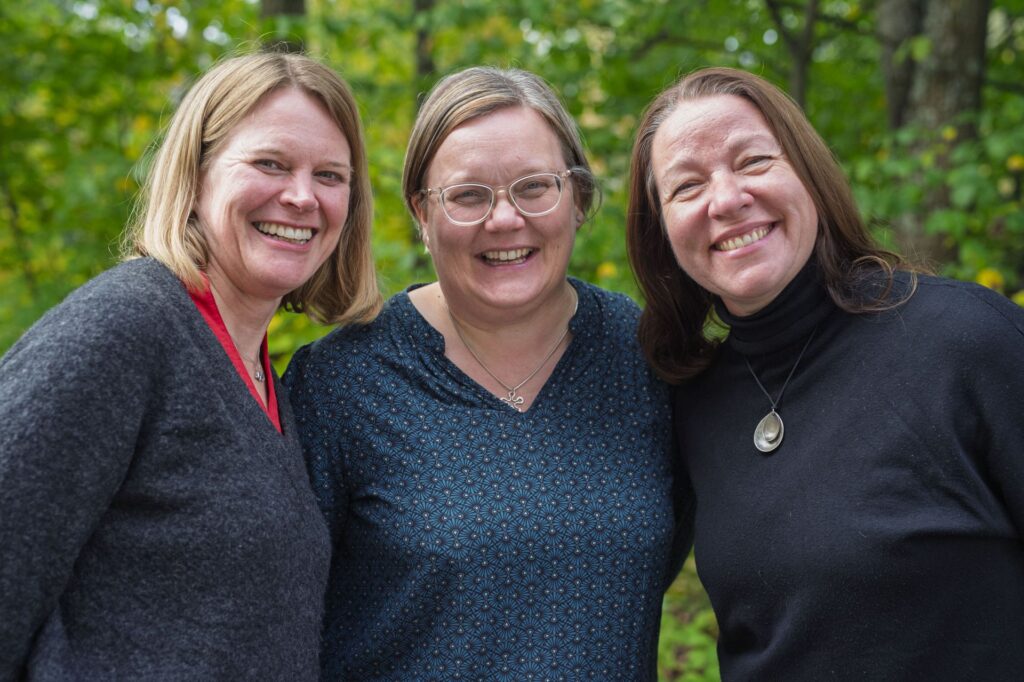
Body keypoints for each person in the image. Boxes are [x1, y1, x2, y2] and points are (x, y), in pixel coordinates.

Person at [285, 66, 690, 680]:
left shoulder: (647, 359)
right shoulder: (340, 385)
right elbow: (274, 620)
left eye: (534, 187)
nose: (504, 220)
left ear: (577, 198)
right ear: (422, 213)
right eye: (469, 195)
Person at [627, 65, 1024, 680]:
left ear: (808, 173)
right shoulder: (692, 400)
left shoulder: (966, 341)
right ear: (662, 232)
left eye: (754, 161)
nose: (727, 200)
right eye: (686, 186)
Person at [0, 52, 380, 679]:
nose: (302, 196)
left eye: (331, 176)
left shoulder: (265, 380)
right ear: (196, 176)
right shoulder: (129, 326)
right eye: (270, 163)